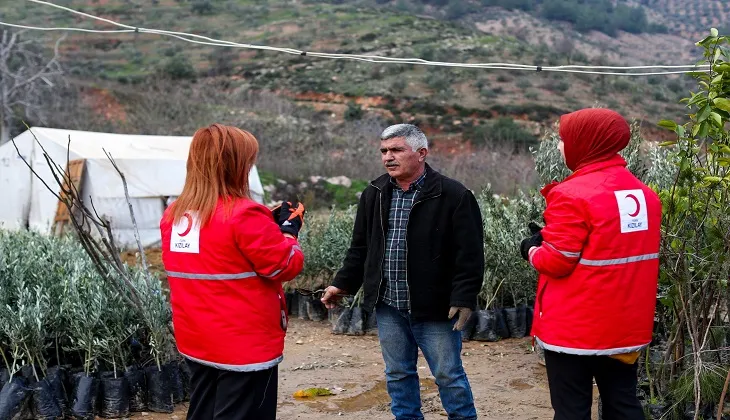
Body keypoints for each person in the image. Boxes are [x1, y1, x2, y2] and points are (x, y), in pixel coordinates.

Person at [321, 124, 483, 420]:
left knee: (448, 375)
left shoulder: (453, 194)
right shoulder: (375, 192)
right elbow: (360, 248)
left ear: (421, 153)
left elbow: (470, 255)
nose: (388, 157)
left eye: (396, 150)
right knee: (397, 373)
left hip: (435, 307)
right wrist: (342, 284)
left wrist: (464, 297)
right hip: (389, 305)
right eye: (384, 151)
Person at [520, 108, 661, 420]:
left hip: (576, 330)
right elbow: (611, 247)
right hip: (625, 326)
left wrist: (531, 247)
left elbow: (556, 262)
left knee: (572, 410)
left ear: (585, 142)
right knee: (623, 404)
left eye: (563, 139)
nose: (559, 146)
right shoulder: (644, 195)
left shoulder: (572, 194)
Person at [160, 123, 305, 420]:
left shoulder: (175, 215)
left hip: (199, 337)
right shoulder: (244, 214)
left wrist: (267, 224)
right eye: (248, 161)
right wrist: (289, 232)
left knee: (204, 409)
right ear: (234, 165)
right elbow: (284, 265)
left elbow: (219, 257)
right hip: (244, 344)